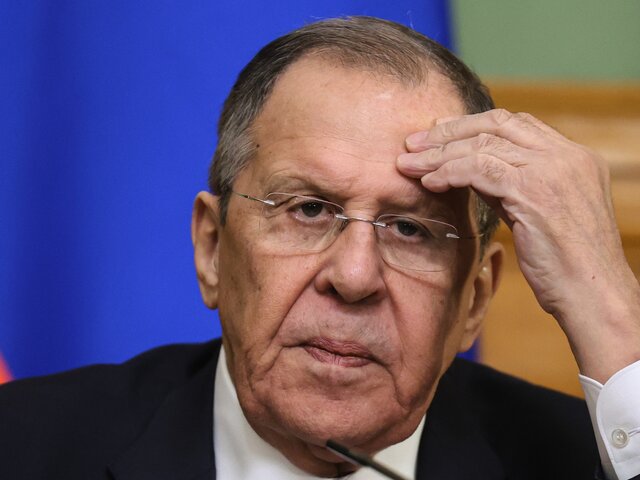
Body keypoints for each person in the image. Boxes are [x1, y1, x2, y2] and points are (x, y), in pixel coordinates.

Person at [1, 16, 639, 480]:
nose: (355, 276)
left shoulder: (588, 459)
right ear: (212, 248)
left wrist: (612, 316)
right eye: (307, 210)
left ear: (473, 301)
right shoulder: (23, 445)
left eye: (410, 228)